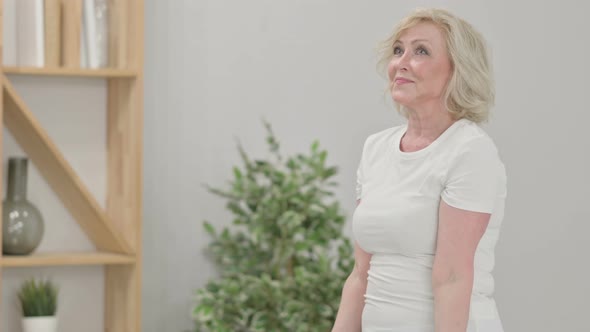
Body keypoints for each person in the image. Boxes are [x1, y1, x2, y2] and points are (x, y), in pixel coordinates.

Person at [332, 7, 507, 332]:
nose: (401, 62)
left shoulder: (469, 150)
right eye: (398, 50)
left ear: (458, 70)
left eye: (421, 51)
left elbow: (452, 276)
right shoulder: (375, 149)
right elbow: (360, 274)